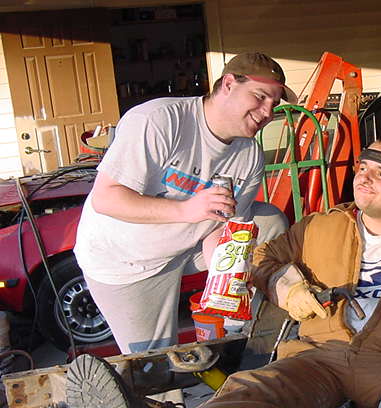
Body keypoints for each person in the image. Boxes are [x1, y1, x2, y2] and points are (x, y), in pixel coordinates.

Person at [66, 136, 381, 408]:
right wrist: (288, 289)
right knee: (259, 388)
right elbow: (263, 259)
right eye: (363, 168)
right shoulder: (321, 225)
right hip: (320, 354)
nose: (364, 178)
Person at [73, 52, 294, 357]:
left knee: (268, 220)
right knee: (153, 368)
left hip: (186, 247)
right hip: (127, 261)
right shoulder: (159, 121)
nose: (268, 111)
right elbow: (106, 198)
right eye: (260, 97)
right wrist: (186, 209)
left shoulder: (249, 155)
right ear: (229, 84)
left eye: (274, 103)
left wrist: (229, 282)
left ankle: (247, 332)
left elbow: (224, 230)